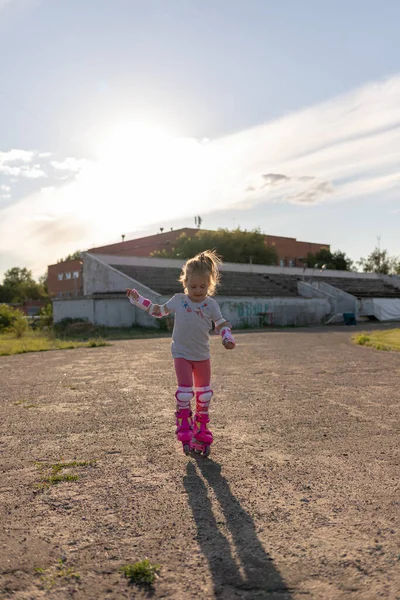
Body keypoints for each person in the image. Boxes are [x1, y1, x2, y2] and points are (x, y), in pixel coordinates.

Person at [126, 249, 236, 456]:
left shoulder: (211, 304)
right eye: (193, 286)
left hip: (202, 355)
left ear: (210, 284)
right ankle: (184, 424)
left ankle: (201, 429)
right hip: (182, 354)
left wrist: (227, 337)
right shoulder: (178, 300)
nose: (198, 290)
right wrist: (139, 300)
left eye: (203, 286)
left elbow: (221, 324)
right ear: (185, 282)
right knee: (185, 392)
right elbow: (158, 311)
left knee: (204, 395)